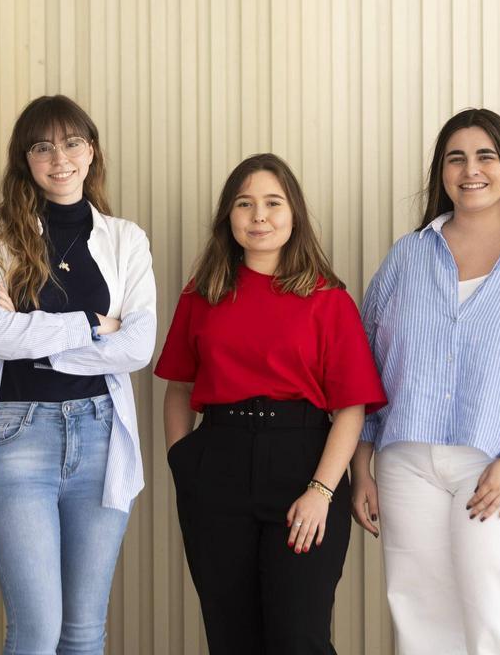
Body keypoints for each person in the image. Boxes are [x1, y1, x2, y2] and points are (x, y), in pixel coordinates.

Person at [350, 108, 500, 654]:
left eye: (485, 155)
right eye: (455, 158)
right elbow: (369, 364)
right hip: (406, 461)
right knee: (421, 619)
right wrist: (360, 463)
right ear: (441, 172)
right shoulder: (407, 256)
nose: (470, 170)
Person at [156, 153, 386, 654]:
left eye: (272, 203)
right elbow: (178, 388)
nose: (258, 215)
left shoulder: (329, 299)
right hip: (215, 467)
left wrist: (322, 490)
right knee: (231, 637)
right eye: (245, 203)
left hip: (303, 464)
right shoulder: (202, 295)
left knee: (297, 638)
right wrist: (183, 463)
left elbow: (350, 408)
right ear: (229, 217)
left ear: (294, 214)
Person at [0, 95, 154, 655]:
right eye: (42, 146)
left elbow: (138, 346)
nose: (59, 158)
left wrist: (38, 335)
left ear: (91, 152)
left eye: (71, 143)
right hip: (17, 434)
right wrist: (97, 324)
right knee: (37, 631)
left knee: (83, 632)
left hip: (100, 434)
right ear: (26, 158)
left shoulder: (125, 238)